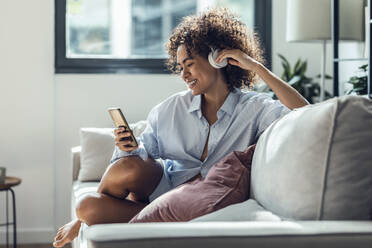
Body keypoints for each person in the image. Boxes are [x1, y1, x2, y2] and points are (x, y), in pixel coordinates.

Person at [53, 8, 308, 247]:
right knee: (96, 195)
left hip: (206, 202)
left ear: (218, 59)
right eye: (180, 67)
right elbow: (128, 166)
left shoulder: (255, 108)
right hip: (163, 190)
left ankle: (160, 223)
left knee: (90, 208)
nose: (184, 74)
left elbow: (305, 114)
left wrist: (256, 67)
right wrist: (129, 147)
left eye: (190, 63)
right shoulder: (171, 109)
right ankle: (148, 221)